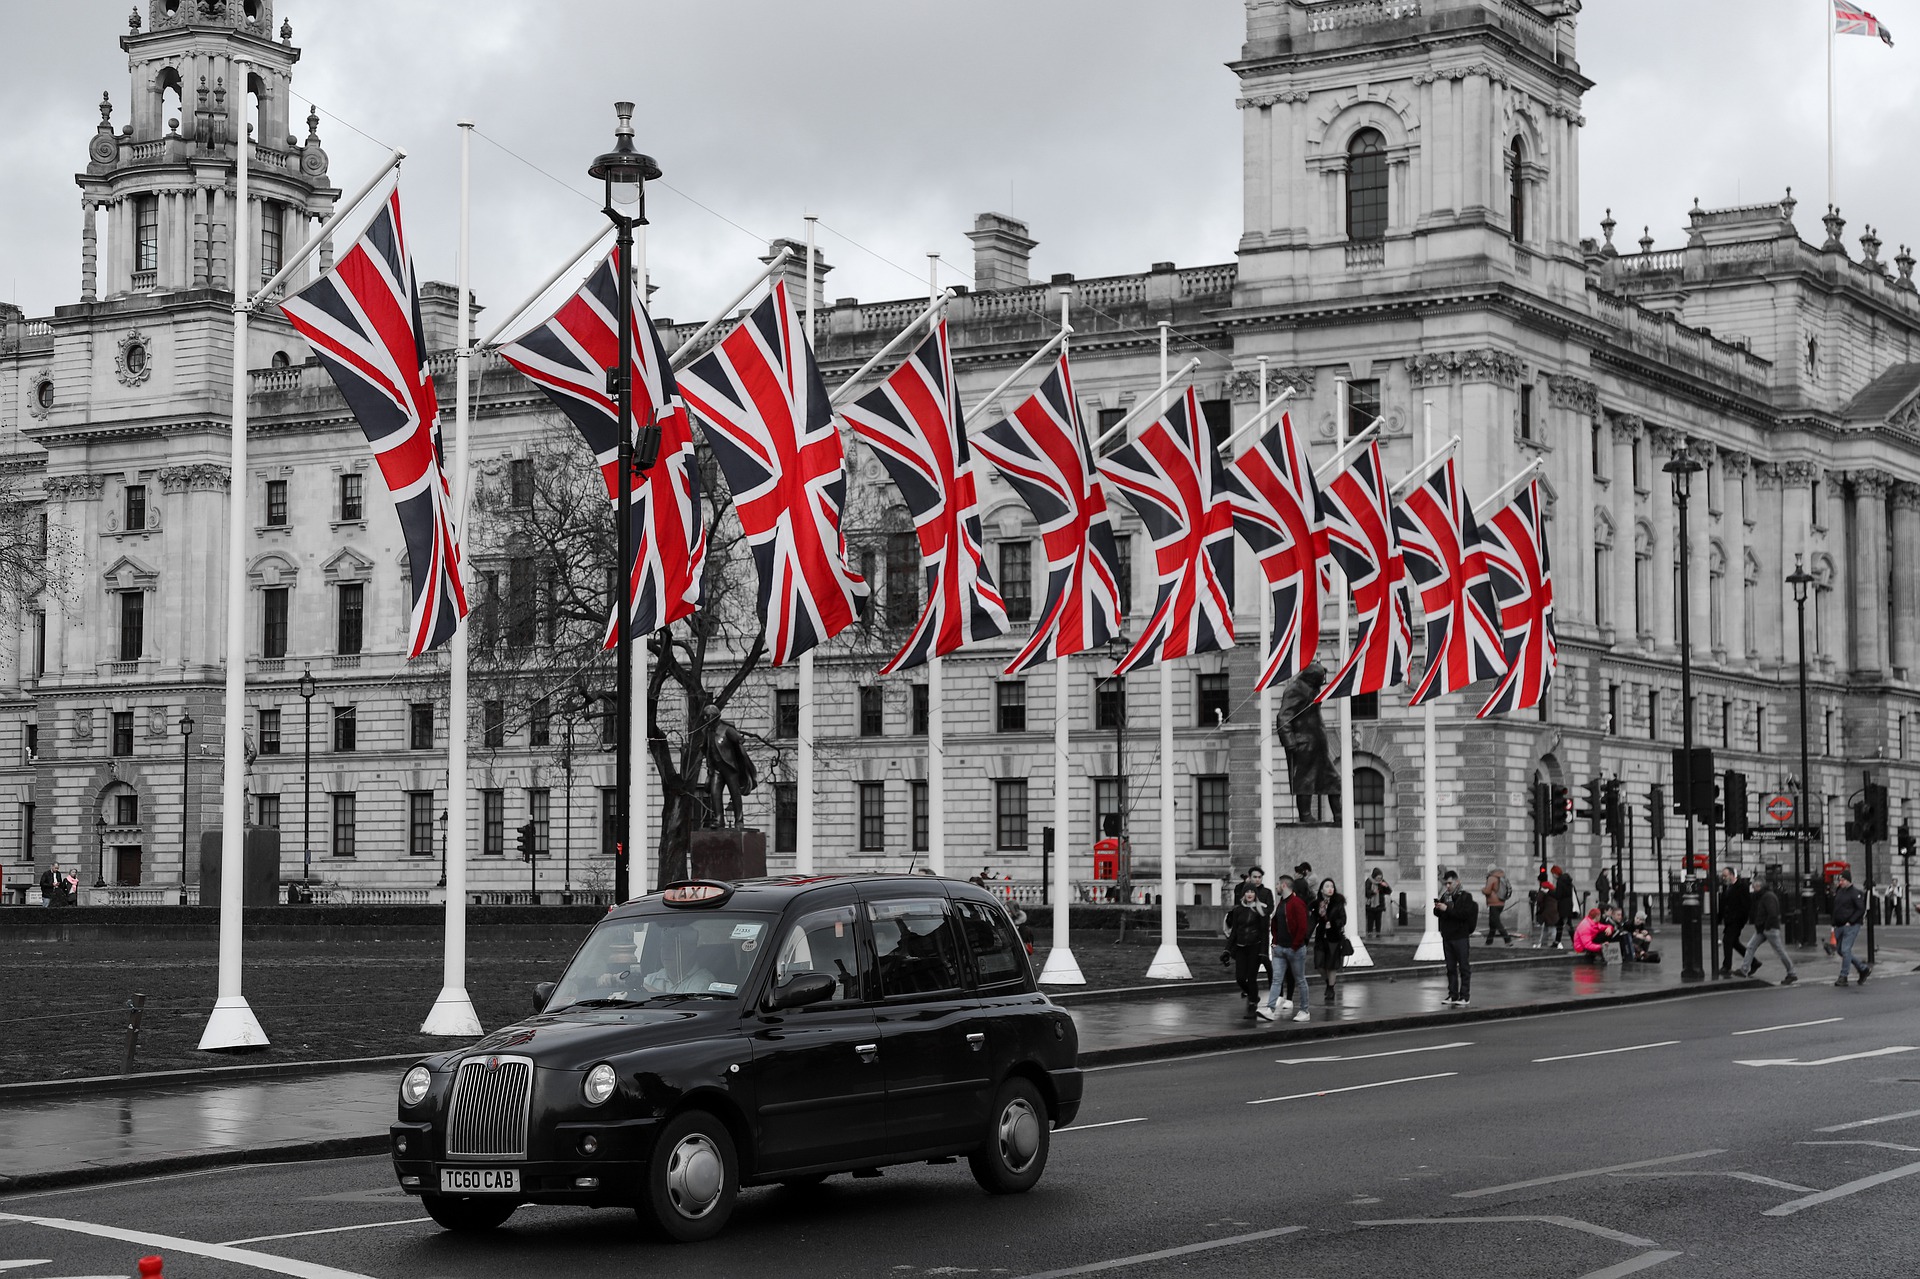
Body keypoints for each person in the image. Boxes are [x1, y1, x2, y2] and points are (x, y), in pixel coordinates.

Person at [1261, 876, 1311, 1022]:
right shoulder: (1281, 903)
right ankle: (1270, 1009)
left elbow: (1303, 927)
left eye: (1277, 884)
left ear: (1283, 885)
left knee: (1300, 980)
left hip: (1294, 949)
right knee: (1277, 979)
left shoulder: (1297, 903)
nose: (1275, 886)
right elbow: (1275, 923)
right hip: (1280, 949)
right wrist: (1275, 942)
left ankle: (1304, 1011)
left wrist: (1295, 946)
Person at [1737, 877, 1799, 985]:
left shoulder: (1768, 897)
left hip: (1769, 929)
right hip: (1762, 929)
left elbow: (1773, 913)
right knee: (1751, 946)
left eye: (1753, 885)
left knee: (1780, 951)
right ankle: (1744, 969)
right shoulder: (1763, 896)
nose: (1751, 887)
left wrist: (1766, 927)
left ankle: (1792, 973)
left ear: (1758, 886)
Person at [1434, 870, 1478, 1007]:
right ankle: (1453, 994)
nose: (1447, 886)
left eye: (1449, 883)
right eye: (1446, 883)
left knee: (1464, 967)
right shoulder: (1445, 896)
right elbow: (1437, 913)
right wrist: (1438, 908)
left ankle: (1465, 996)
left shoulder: (1465, 897)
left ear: (1457, 882)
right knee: (1450, 968)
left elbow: (1462, 914)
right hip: (1447, 936)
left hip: (1460, 936)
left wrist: (1447, 909)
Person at [1224, 887, 1269, 1018]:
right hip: (1240, 948)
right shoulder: (1238, 910)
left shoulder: (1261, 911)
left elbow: (1264, 933)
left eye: (1252, 892)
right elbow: (1234, 932)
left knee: (1251, 978)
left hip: (1255, 948)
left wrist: (1263, 952)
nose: (1249, 894)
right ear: (1243, 894)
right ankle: (1253, 995)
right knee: (1240, 978)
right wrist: (1227, 949)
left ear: (1256, 894)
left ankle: (1252, 1005)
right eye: (1247, 892)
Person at [1229, 867, 1275, 989]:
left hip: (1260, 930)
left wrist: (1260, 907)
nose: (1257, 879)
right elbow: (1238, 906)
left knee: (1265, 960)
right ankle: (1248, 989)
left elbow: (1269, 908)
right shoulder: (1241, 889)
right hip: (1244, 932)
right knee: (1246, 965)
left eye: (1259, 877)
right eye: (1255, 877)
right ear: (1250, 877)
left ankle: (1275, 987)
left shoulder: (1266, 892)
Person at [642, 924, 720, 994]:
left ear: (690, 951)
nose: (666, 951)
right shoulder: (651, 980)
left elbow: (687, 1007)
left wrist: (648, 991)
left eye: (673, 946)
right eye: (663, 946)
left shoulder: (704, 982)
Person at [1310, 877, 1349, 1004]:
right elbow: (1312, 919)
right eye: (1327, 886)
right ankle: (1328, 982)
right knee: (1319, 964)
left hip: (1334, 937)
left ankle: (1331, 988)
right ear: (1321, 889)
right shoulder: (1317, 904)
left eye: (1332, 886)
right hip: (1321, 937)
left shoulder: (1338, 903)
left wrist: (1333, 923)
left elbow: (1343, 919)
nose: (1330, 889)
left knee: (1331, 965)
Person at [1830, 869, 1872, 987]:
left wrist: (1851, 921)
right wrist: (1833, 923)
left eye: (1842, 880)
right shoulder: (1840, 891)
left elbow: (1860, 909)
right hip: (1839, 925)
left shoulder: (1855, 893)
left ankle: (1844, 976)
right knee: (1840, 950)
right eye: (1839, 880)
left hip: (1851, 926)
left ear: (1848, 880)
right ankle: (1863, 969)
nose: (1840, 882)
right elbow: (1836, 908)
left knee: (1845, 949)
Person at [1718, 867, 1753, 977]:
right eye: (1723, 876)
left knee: (1727, 941)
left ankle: (1727, 966)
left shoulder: (1741, 887)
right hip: (1729, 920)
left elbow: (1746, 905)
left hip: (1736, 920)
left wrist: (1741, 920)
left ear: (1732, 875)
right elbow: (1723, 906)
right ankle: (1754, 962)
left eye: (1725, 876)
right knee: (1734, 943)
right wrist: (1718, 919)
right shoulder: (1726, 888)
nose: (1723, 878)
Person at [1483, 865, 1515, 945]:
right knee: (1492, 923)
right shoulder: (1502, 876)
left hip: (1494, 903)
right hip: (1501, 902)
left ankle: (1507, 939)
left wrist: (1482, 890)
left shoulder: (1492, 878)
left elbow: (1488, 891)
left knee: (1496, 922)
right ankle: (1489, 941)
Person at [1533, 866, 1562, 948]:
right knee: (1545, 929)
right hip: (1553, 910)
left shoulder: (1543, 887)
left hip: (1548, 911)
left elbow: (1539, 899)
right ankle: (1542, 943)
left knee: (1552, 929)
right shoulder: (1551, 886)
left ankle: (1558, 944)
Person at [1364, 868, 1391, 937]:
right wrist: (1373, 892)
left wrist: (1386, 886)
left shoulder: (1382, 882)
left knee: (1378, 921)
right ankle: (1369, 933)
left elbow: (1388, 892)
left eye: (1380, 878)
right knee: (1370, 920)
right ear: (1374, 876)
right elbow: (1366, 892)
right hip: (1370, 905)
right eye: (1378, 878)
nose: (1379, 879)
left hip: (1379, 905)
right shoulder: (1369, 881)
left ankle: (1378, 934)